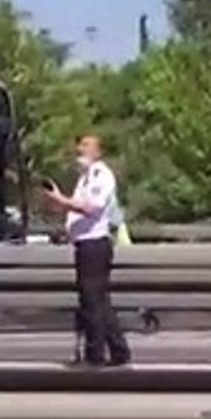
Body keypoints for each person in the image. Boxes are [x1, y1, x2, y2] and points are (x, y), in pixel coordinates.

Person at [43, 134, 131, 367]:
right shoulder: (84, 178)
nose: (79, 150)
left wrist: (61, 199)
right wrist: (57, 202)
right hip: (83, 244)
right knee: (99, 301)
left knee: (91, 301)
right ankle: (120, 351)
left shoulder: (101, 175)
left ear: (98, 152)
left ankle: (95, 356)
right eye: (79, 145)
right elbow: (74, 207)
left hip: (95, 244)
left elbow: (92, 208)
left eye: (85, 146)